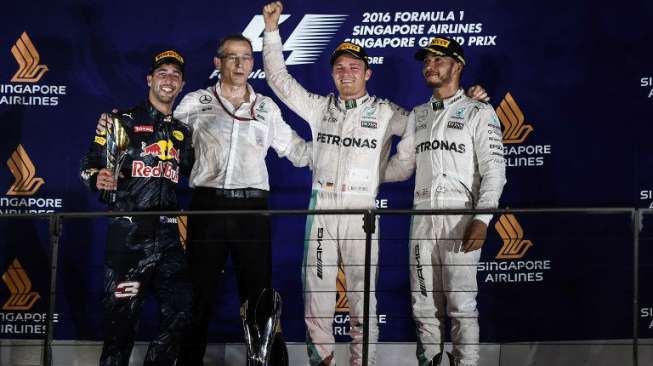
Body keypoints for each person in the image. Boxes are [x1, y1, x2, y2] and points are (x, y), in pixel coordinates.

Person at [172, 34, 311, 365]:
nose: (239, 64)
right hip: (207, 206)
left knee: (258, 294)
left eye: (246, 57)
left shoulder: (266, 107)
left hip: (251, 210)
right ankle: (188, 361)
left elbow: (296, 150)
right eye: (232, 57)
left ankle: (263, 361)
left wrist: (340, 151)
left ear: (253, 63)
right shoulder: (195, 102)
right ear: (217, 62)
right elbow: (166, 141)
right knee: (199, 294)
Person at [384, 37, 507, 366]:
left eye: (439, 60)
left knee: (462, 307)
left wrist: (482, 219)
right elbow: (402, 166)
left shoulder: (479, 111)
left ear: (458, 66)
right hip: (422, 218)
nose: (430, 65)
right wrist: (359, 176)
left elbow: (495, 172)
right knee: (423, 307)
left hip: (460, 220)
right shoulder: (419, 115)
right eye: (427, 61)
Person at [80, 49, 194, 366]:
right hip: (128, 237)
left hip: (169, 237)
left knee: (183, 312)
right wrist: (96, 178)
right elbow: (87, 165)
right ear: (149, 79)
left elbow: (193, 171)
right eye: (162, 73)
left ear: (182, 84)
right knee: (120, 327)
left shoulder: (184, 133)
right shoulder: (120, 122)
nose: (168, 79)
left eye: (175, 75)